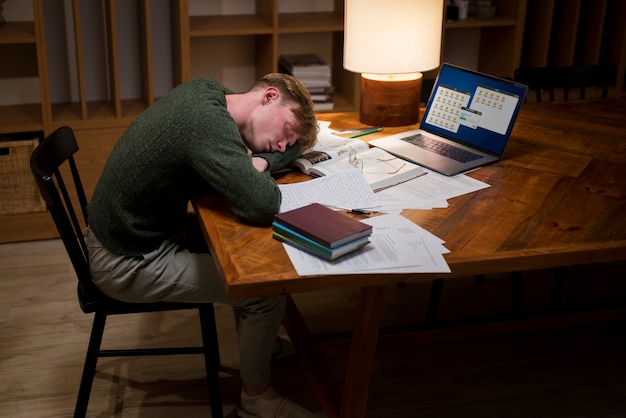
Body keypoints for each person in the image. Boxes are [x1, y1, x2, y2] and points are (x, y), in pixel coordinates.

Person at [86, 73, 319, 418]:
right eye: (286, 131)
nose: (284, 146)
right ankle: (257, 399)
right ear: (270, 97)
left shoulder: (211, 93)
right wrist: (254, 166)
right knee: (265, 291)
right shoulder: (207, 124)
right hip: (125, 259)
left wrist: (260, 161)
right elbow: (262, 205)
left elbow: (287, 154)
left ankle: (261, 347)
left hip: (140, 231)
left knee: (243, 255)